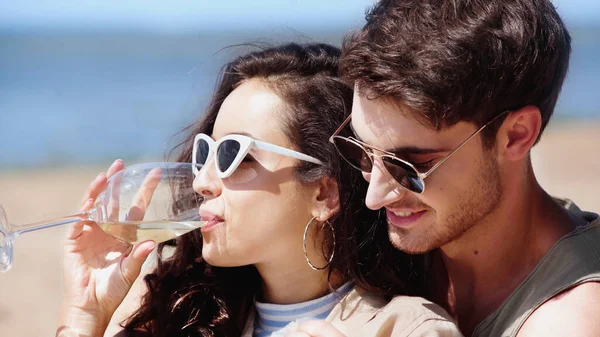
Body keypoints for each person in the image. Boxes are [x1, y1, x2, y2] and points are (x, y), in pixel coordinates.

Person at [56, 43, 463, 337]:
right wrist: (85, 316)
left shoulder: (407, 329)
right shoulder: (189, 318)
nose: (201, 181)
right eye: (205, 153)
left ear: (324, 193)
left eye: (236, 155)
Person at [319, 0, 600, 336]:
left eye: (411, 165)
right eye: (363, 151)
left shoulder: (571, 320)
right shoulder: (399, 248)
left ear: (516, 135)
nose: (374, 197)